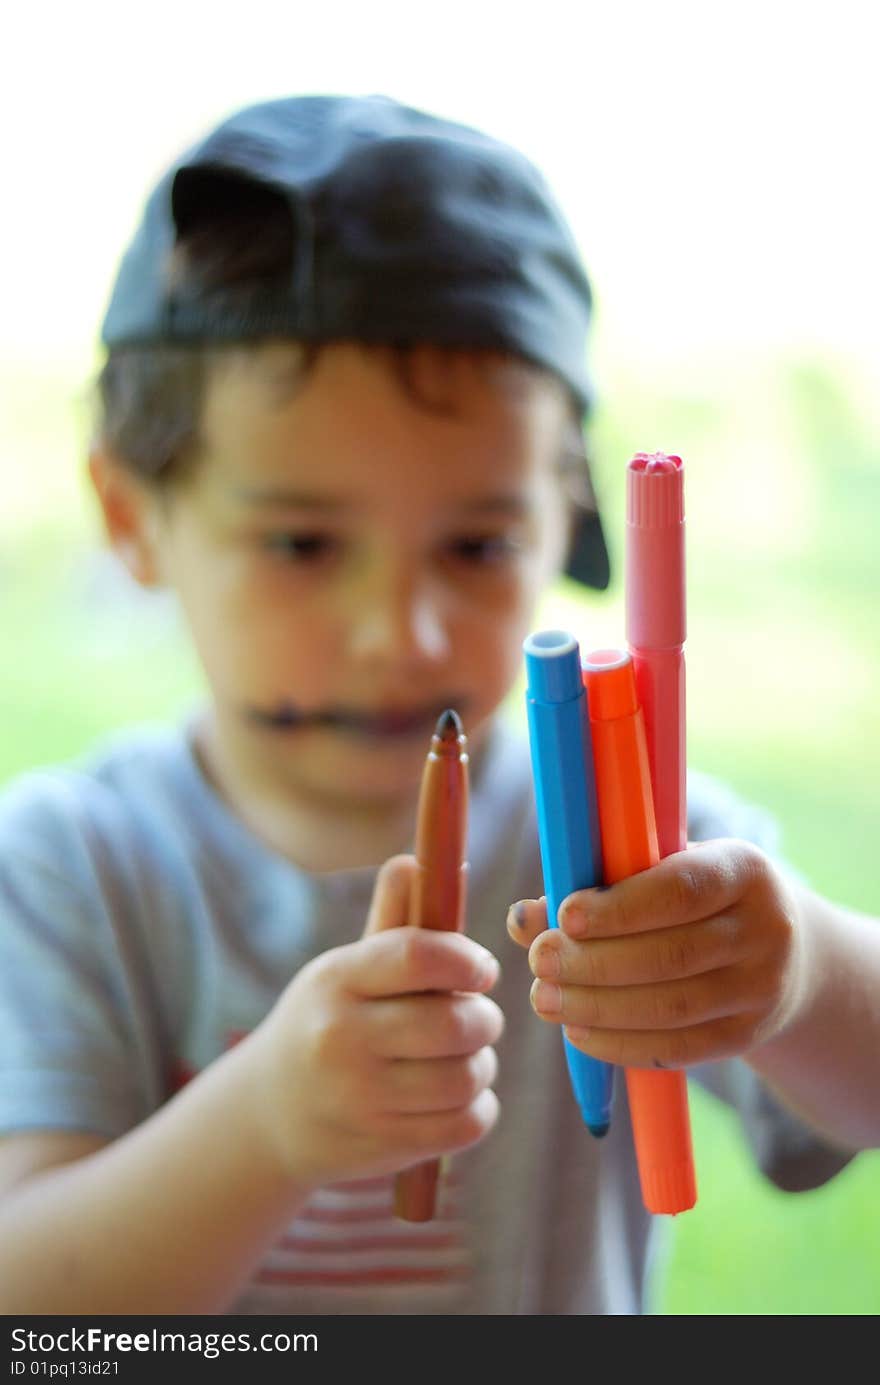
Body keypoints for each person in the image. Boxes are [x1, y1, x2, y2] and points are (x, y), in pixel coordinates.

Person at [0, 94, 877, 1317]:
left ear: (559, 519)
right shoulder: (67, 868)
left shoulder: (635, 833)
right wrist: (263, 1126)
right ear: (130, 513)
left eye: (475, 543)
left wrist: (804, 975)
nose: (402, 633)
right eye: (303, 541)